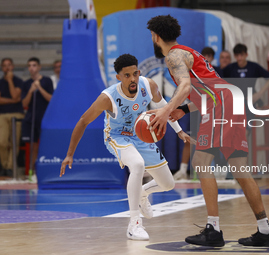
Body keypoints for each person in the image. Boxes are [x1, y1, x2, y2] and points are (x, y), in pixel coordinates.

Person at [146, 15, 269, 247]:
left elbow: (186, 86)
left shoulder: (173, 56)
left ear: (156, 36)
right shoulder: (189, 53)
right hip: (229, 100)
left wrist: (166, 110)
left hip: (221, 105)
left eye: (152, 36)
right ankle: (265, 231)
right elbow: (208, 89)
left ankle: (213, 230)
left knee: (201, 161)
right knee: (240, 170)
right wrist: (184, 109)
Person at [59, 54, 192, 240]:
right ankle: (134, 224)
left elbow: (164, 108)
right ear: (119, 77)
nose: (133, 79)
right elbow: (83, 121)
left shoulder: (148, 85)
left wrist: (178, 131)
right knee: (137, 165)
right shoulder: (108, 98)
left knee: (168, 184)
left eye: (135, 74)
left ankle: (142, 193)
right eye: (127, 75)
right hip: (117, 137)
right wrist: (69, 154)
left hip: (140, 136)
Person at [223, 43, 269, 135]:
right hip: (234, 104)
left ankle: (242, 147)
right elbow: (217, 80)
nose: (239, 58)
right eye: (237, 55)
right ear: (234, 56)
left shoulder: (253, 67)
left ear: (246, 55)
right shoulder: (230, 68)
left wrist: (259, 94)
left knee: (245, 131)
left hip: (249, 103)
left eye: (241, 55)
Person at [21, 57, 54, 172]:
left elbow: (51, 99)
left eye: (34, 65)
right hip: (32, 118)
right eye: (29, 65)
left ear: (39, 67)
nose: (31, 68)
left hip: (44, 117)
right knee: (33, 146)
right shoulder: (26, 84)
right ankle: (32, 169)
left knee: (45, 144)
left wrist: (39, 87)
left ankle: (47, 168)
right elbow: (24, 103)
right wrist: (31, 90)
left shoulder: (46, 80)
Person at [0, 58, 24, 176]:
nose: (7, 68)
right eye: (4, 65)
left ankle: (10, 167)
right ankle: (4, 165)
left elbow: (16, 95)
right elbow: (14, 98)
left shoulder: (18, 81)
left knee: (14, 142)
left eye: (9, 65)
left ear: (13, 66)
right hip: (2, 115)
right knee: (2, 142)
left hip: (16, 114)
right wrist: (13, 100)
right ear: (2, 67)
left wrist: (10, 80)